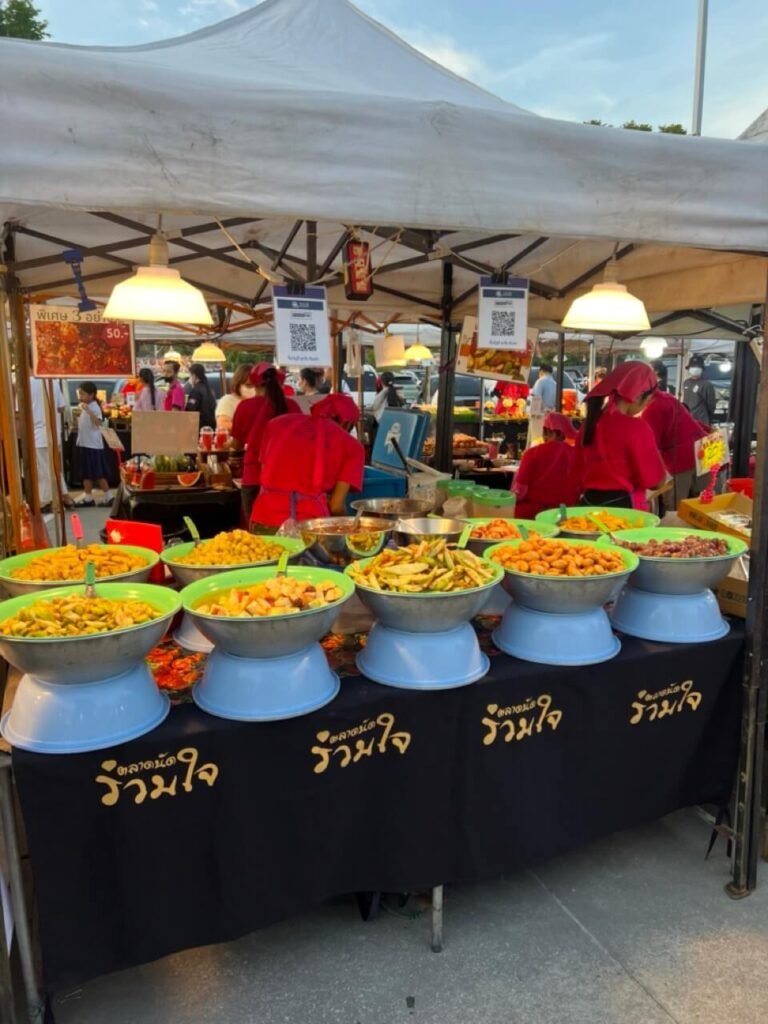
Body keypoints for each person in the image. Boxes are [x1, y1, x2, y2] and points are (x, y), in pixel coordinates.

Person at [250, 393, 364, 528]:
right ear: (347, 422)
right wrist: (349, 525)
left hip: (263, 518)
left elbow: (266, 474)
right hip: (309, 526)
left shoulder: (278, 424)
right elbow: (336, 506)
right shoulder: (351, 446)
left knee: (261, 549)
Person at [571, 362, 667, 510]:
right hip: (625, 514)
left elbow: (574, 476)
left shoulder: (588, 426)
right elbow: (655, 482)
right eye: (648, 400)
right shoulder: (637, 428)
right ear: (638, 396)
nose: (646, 405)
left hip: (587, 509)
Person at [231, 363, 301, 521]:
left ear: (254, 383)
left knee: (256, 532)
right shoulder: (293, 405)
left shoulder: (245, 406)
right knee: (285, 529)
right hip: (288, 478)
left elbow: (236, 445)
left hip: (254, 476)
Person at [642, 366, 710, 511]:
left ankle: (679, 533)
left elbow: (651, 447)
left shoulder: (653, 408)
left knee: (676, 508)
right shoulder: (667, 397)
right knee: (702, 504)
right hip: (703, 450)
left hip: (681, 459)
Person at [511, 413, 580, 519]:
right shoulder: (577, 455)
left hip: (532, 515)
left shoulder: (532, 453)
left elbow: (520, 493)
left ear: (546, 431)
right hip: (564, 515)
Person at [29, 377, 73, 509]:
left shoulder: (26, 383)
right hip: (53, 433)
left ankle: (50, 499)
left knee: (44, 469)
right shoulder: (52, 382)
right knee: (54, 467)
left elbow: (20, 410)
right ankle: (63, 496)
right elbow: (61, 407)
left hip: (37, 433)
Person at [73, 382, 114, 507]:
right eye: (79, 393)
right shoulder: (86, 406)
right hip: (85, 443)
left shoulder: (94, 407)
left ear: (91, 395)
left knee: (98, 473)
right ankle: (88, 497)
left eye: (83, 394)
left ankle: (109, 496)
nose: (80, 396)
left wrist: (88, 411)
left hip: (93, 445)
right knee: (87, 473)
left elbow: (98, 423)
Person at [215, 363, 254, 432]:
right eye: (248, 385)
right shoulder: (228, 400)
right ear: (238, 384)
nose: (253, 389)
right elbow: (222, 424)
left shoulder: (258, 402)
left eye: (256, 385)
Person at [682, 355, 716, 427]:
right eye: (693, 366)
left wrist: (707, 418)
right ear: (689, 369)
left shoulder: (707, 384)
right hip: (687, 419)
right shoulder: (686, 382)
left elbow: (711, 406)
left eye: (697, 367)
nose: (695, 369)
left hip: (701, 421)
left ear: (702, 369)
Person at [185, 363, 216, 429]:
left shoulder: (196, 391)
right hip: (211, 427)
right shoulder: (209, 389)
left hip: (199, 427)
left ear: (194, 375)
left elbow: (191, 411)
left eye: (190, 375)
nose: (189, 378)